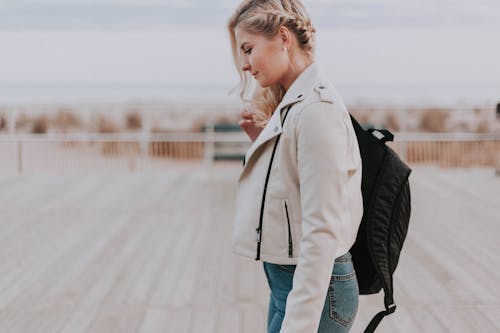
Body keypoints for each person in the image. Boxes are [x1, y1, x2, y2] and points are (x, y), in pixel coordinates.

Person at [228, 1, 363, 332]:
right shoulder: (296, 103)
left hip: (315, 292)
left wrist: (299, 324)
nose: (245, 65)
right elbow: (292, 182)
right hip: (290, 286)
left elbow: (322, 229)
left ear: (284, 38)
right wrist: (262, 138)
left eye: (248, 49)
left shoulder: (317, 110)